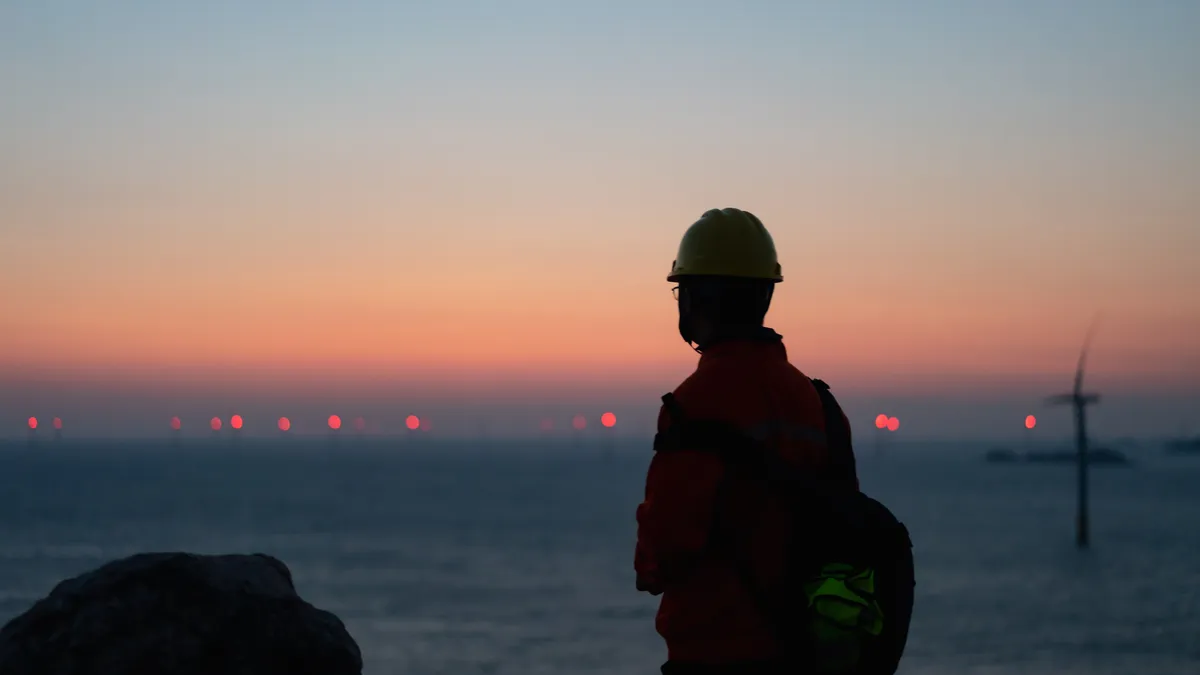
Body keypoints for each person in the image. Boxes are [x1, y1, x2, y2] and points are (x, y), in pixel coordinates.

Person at [635, 208, 911, 675]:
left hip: (714, 658)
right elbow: (842, 536)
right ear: (765, 294)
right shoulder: (820, 404)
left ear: (698, 297)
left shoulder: (692, 405)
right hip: (807, 659)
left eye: (682, 290)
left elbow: (662, 554)